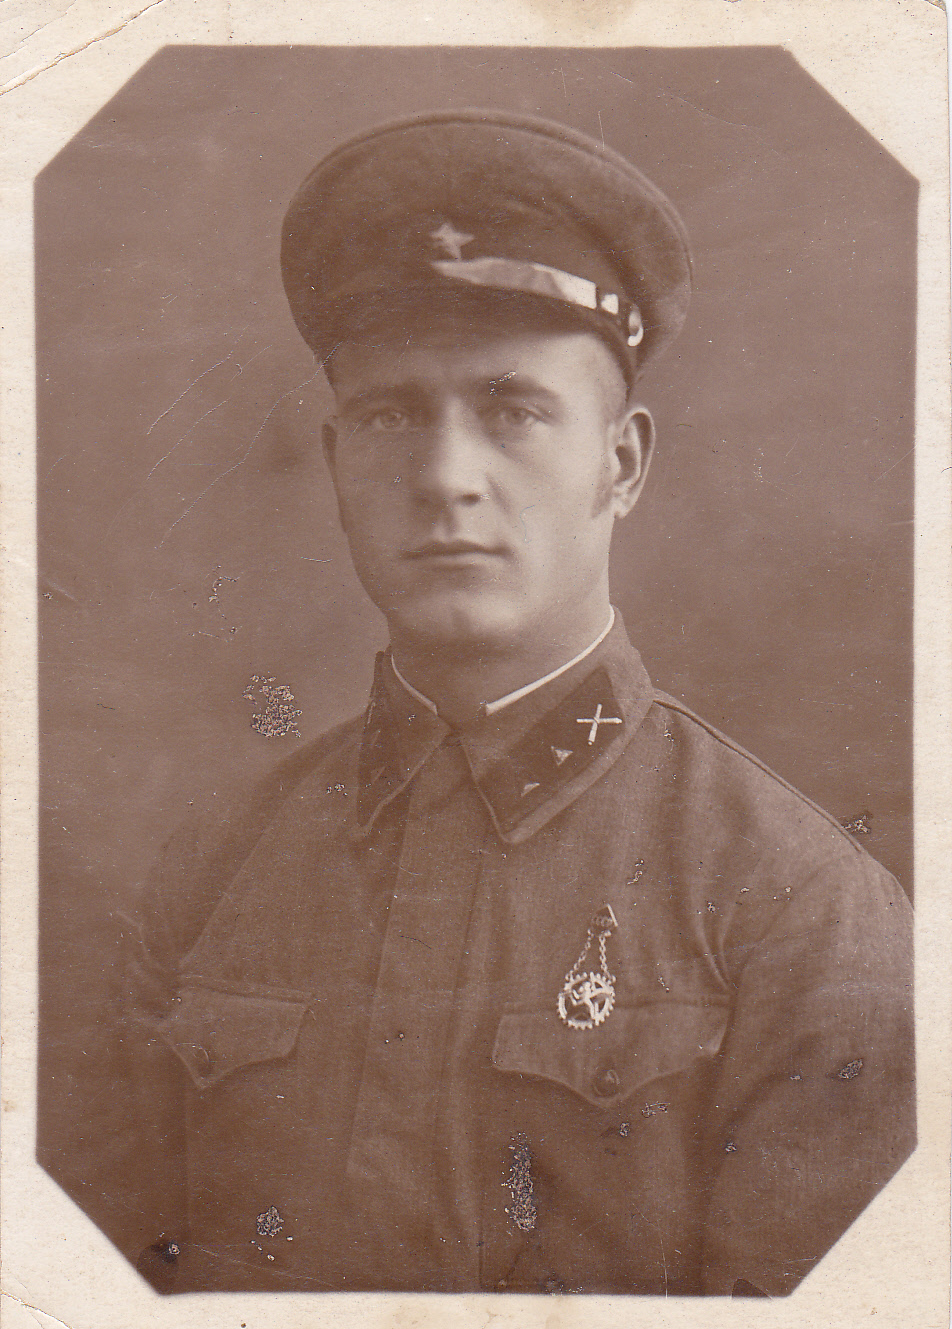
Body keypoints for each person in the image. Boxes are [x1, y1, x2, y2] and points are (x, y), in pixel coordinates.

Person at [70, 110, 914, 1298]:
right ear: (335, 463)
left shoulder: (798, 909)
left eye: (512, 410)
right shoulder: (210, 872)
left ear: (621, 463)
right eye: (390, 415)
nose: (444, 477)